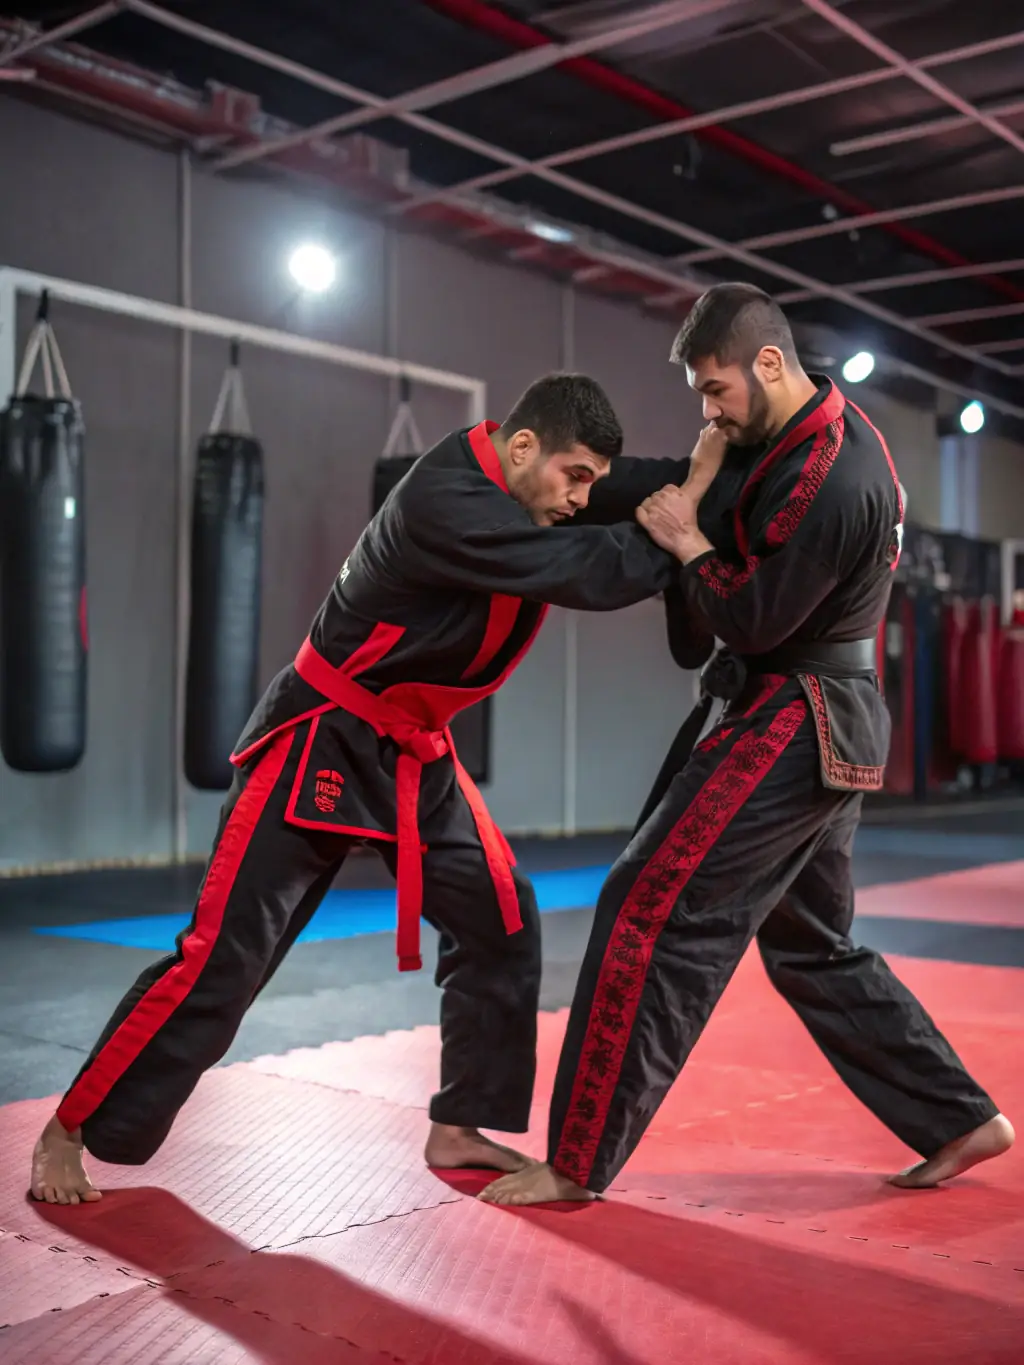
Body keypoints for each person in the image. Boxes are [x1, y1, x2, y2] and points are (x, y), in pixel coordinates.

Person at [31, 372, 719, 1207]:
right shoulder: (444, 496)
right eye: (575, 477)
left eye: (592, 483)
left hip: (412, 752)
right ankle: (67, 1126)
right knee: (223, 957)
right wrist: (682, 537)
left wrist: (718, 459)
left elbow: (638, 484)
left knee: (500, 916)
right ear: (523, 446)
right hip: (319, 735)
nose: (583, 497)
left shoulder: (534, 486)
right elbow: (580, 571)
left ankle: (461, 1121)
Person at [479, 283, 1014, 1208]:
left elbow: (752, 615)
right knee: (810, 943)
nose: (710, 411)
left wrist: (687, 543)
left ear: (770, 363)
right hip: (803, 710)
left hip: (798, 712)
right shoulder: (771, 444)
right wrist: (534, 475)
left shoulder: (842, 475)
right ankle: (959, 1117)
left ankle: (575, 1160)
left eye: (717, 389)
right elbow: (663, 483)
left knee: (645, 901)